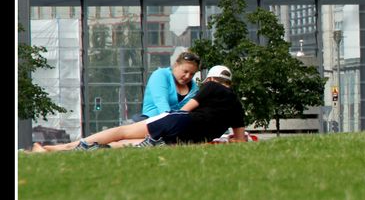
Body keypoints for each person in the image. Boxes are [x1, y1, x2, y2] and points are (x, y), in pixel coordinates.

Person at [31, 66, 247, 152]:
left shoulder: (210, 86)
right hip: (191, 139)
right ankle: (57, 150)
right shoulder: (237, 105)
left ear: (210, 78)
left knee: (122, 132)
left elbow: (187, 109)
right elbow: (239, 140)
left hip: (180, 121)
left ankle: (60, 148)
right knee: (124, 145)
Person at [138, 51, 200, 121]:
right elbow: (162, 103)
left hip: (178, 125)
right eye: (185, 71)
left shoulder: (194, 88)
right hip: (152, 122)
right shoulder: (160, 75)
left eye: (192, 74)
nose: (187, 76)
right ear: (176, 65)